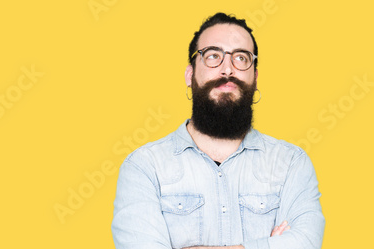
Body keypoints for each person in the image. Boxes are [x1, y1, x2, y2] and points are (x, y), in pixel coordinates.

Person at [111, 13, 325, 249]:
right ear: (190, 75)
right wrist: (267, 245)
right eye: (213, 56)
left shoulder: (291, 163)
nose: (227, 70)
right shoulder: (143, 167)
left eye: (241, 58)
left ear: (255, 77)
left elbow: (305, 243)